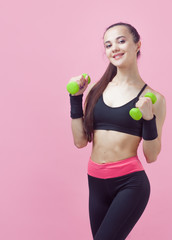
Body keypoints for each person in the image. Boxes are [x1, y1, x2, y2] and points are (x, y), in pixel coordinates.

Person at [68, 22, 166, 240]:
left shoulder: (154, 98)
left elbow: (152, 155)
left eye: (121, 41)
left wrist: (148, 118)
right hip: (95, 181)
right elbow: (80, 141)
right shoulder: (96, 90)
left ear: (137, 44)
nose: (114, 48)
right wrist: (76, 99)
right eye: (108, 44)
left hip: (129, 184)